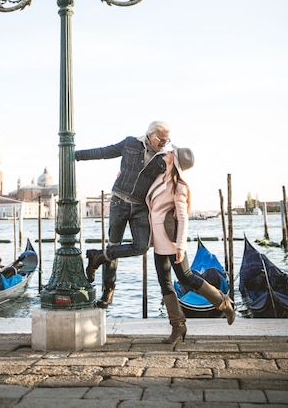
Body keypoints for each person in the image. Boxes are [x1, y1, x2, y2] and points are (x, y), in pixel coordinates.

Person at [145, 146, 235, 349]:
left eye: (170, 152)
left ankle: (223, 303)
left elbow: (183, 217)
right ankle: (178, 325)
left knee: (186, 277)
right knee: (165, 283)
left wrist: (181, 246)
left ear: (174, 160)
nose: (167, 152)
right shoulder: (159, 179)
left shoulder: (179, 187)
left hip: (172, 240)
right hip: (157, 239)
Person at [75, 120, 170, 309]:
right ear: (150, 135)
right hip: (119, 202)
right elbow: (104, 152)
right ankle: (107, 291)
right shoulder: (130, 143)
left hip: (141, 207)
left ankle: (99, 256)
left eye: (167, 141)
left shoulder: (164, 159)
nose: (164, 144)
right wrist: (75, 155)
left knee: (142, 247)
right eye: (161, 139)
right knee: (114, 244)